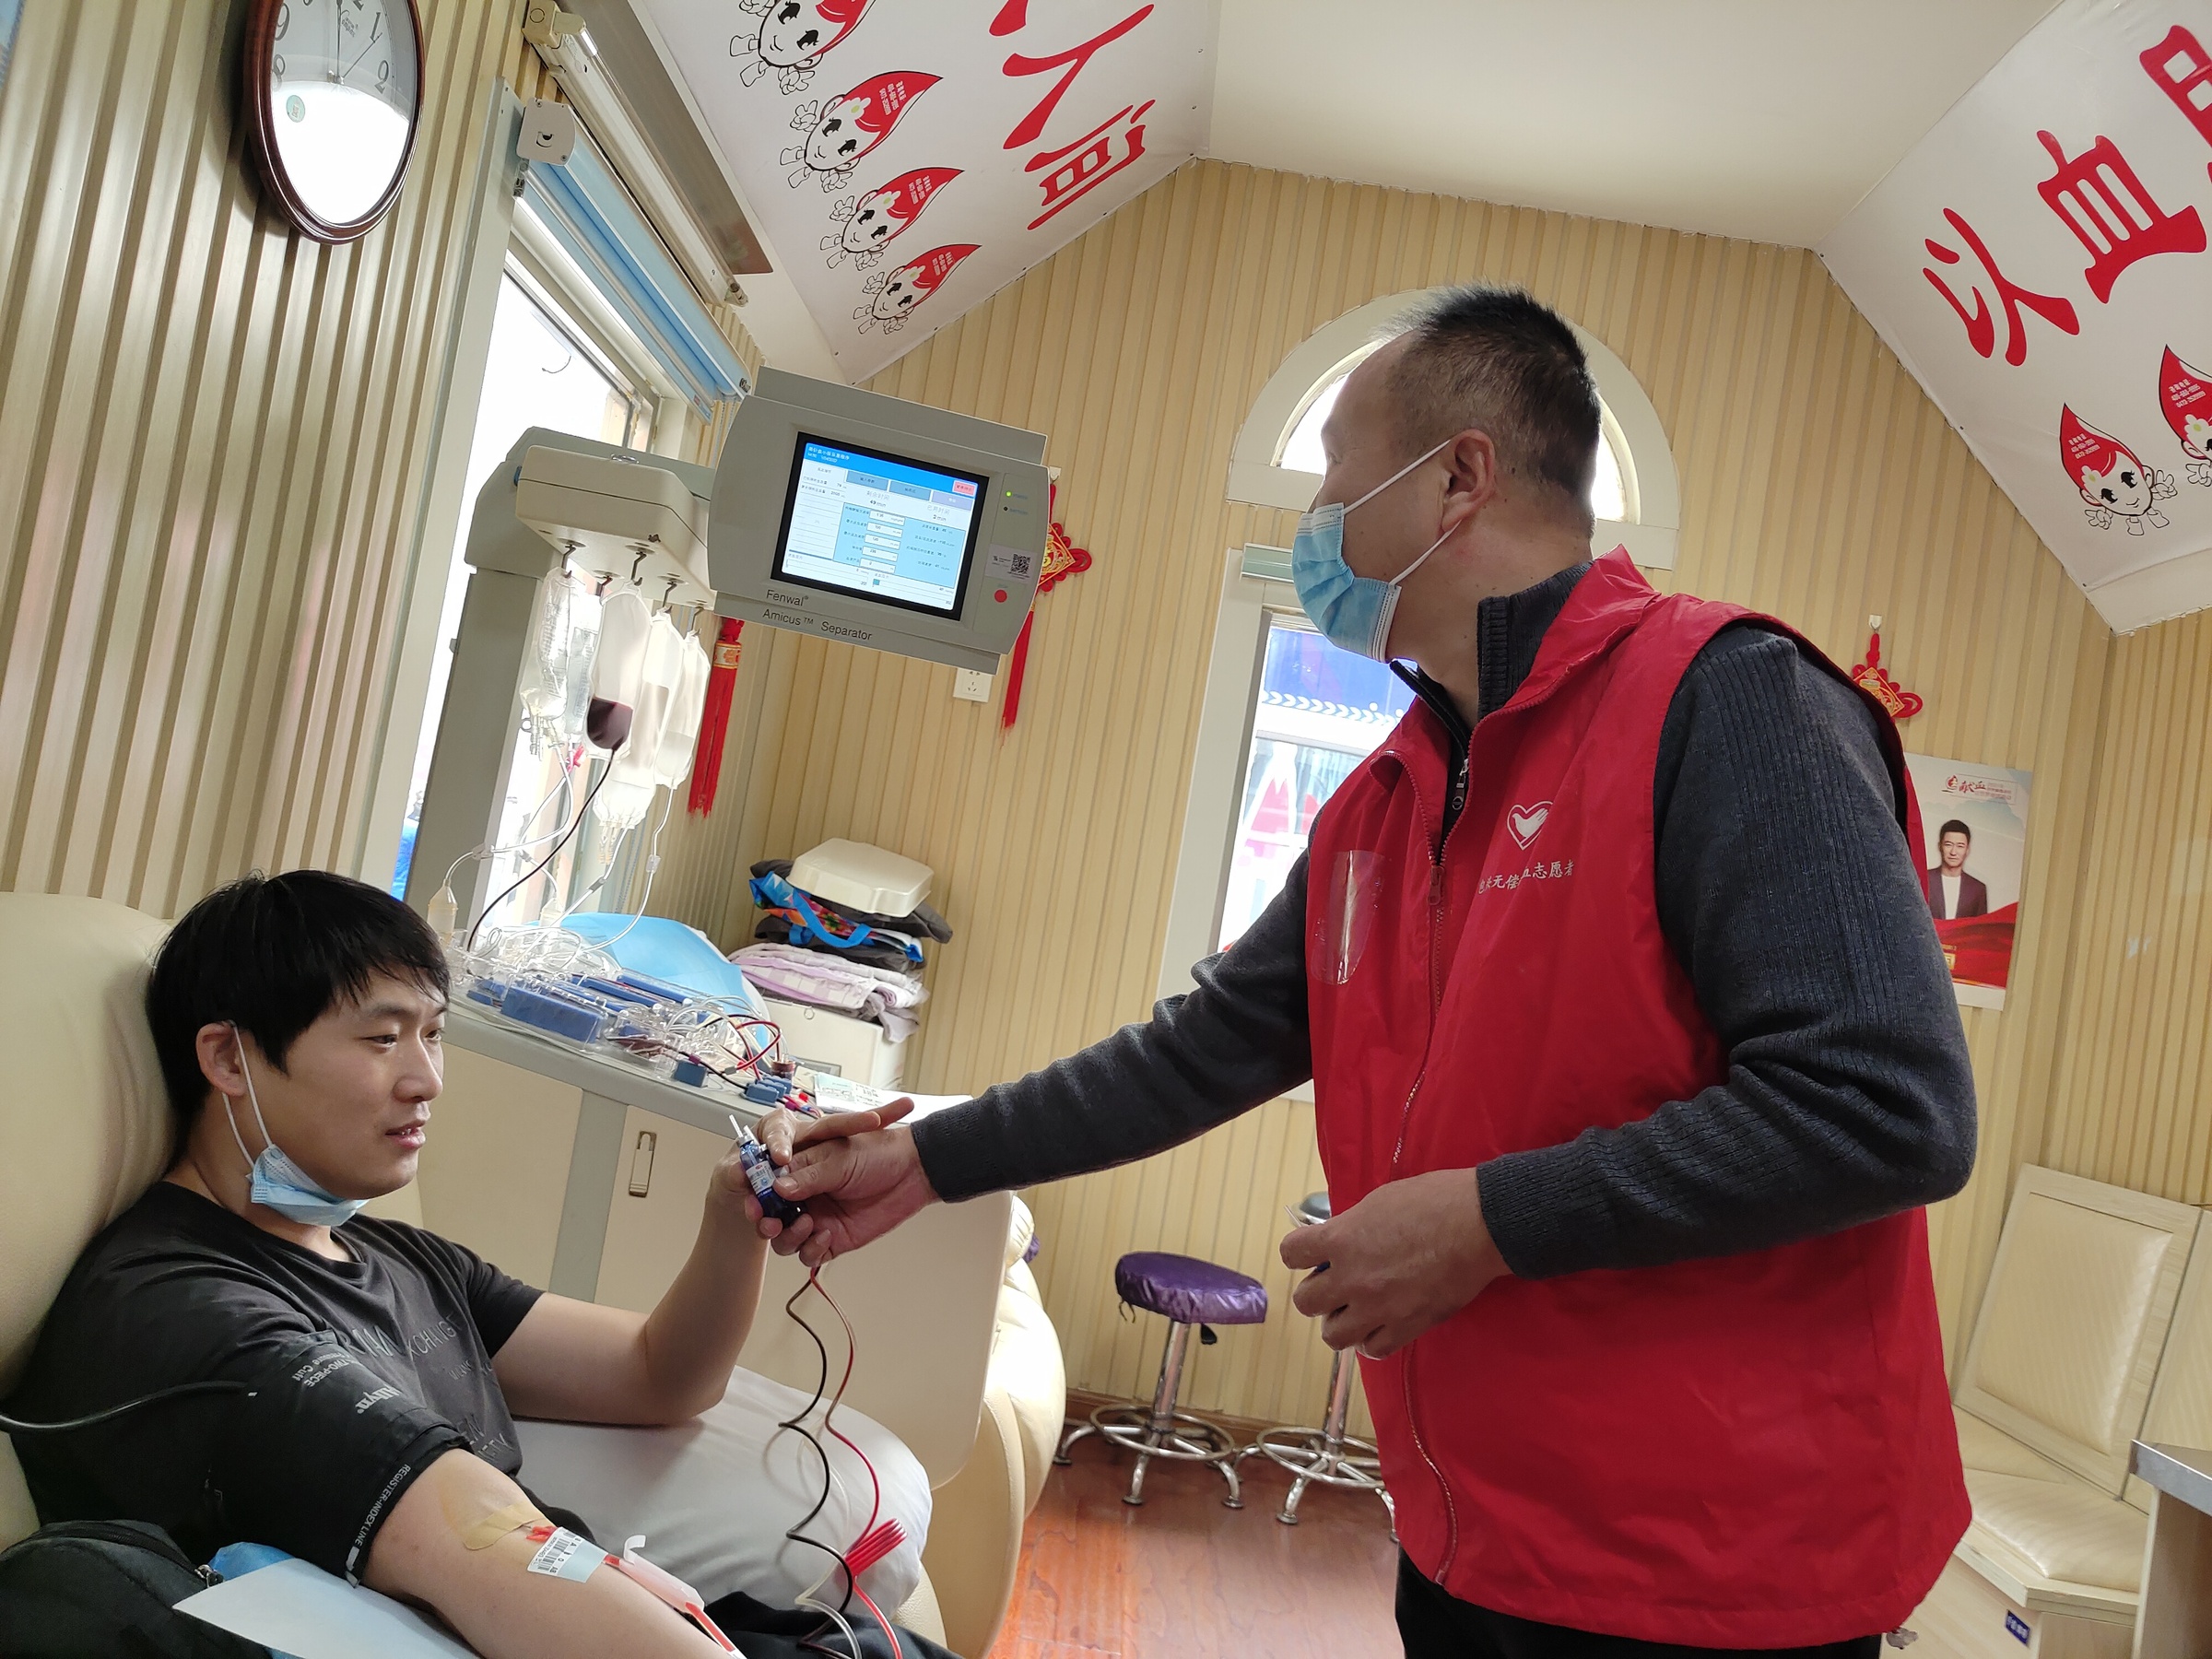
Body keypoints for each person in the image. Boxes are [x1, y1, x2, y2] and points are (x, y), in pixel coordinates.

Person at [757, 287, 1980, 1657]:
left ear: (1460, 477)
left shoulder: (1734, 701)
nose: (1317, 522)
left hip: (1713, 1576)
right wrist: (929, 1160)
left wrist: (1488, 1221)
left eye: (1338, 476)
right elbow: (1200, 1051)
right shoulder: (1387, 800)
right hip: (1473, 1535)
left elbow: (1886, 1107)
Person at [5, 870, 944, 1659]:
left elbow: (661, 1375)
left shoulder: (397, 1258)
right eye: (382, 1038)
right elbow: (480, 1543)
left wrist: (732, 1219)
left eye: (434, 1033)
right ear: (227, 1058)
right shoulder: (179, 1308)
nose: (426, 1079)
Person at [1924, 818, 1990, 919]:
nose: (1953, 852)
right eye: (1948, 845)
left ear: (1967, 850)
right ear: (1940, 846)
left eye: (1960, 846)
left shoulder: (1978, 889)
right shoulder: (1924, 879)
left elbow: (1980, 926)